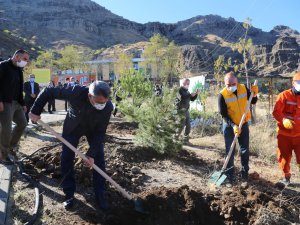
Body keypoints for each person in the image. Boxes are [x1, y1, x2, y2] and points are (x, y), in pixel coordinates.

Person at [29, 81, 113, 210]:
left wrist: (91, 154)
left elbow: (100, 132)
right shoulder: (76, 92)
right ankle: (69, 194)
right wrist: (35, 110)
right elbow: (48, 91)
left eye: (105, 102)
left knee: (99, 158)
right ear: (90, 96)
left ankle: (99, 194)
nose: (102, 105)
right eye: (99, 102)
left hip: (93, 129)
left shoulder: (108, 107)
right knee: (67, 157)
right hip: (73, 127)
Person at [218, 72, 258, 185]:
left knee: (245, 150)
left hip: (243, 124)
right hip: (229, 125)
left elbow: (253, 101)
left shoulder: (243, 88)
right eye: (228, 84)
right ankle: (229, 175)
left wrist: (254, 94)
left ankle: (244, 174)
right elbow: (223, 114)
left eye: (233, 83)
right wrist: (234, 125)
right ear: (225, 84)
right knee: (230, 150)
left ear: (237, 81)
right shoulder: (222, 95)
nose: (230, 86)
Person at [0, 49, 29, 162]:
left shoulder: (18, 70)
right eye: (25, 59)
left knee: (23, 123)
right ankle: (3, 155)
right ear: (17, 57)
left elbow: (19, 89)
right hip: (5, 103)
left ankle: (10, 147)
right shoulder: (3, 66)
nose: (26, 62)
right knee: (6, 129)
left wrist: (22, 103)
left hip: (17, 103)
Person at [272, 72, 300, 186]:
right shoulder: (283, 96)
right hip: (284, 135)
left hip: (299, 135)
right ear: (293, 83)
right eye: (298, 82)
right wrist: (283, 120)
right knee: (284, 158)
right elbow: (276, 112)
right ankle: (286, 177)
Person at [176, 78, 199, 143]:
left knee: (188, 125)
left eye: (188, 84)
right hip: (180, 111)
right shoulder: (179, 90)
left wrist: (196, 94)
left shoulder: (187, 91)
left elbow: (191, 99)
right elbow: (182, 97)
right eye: (186, 83)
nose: (187, 85)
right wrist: (190, 94)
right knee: (180, 126)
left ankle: (185, 139)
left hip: (186, 111)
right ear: (183, 83)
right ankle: (175, 139)